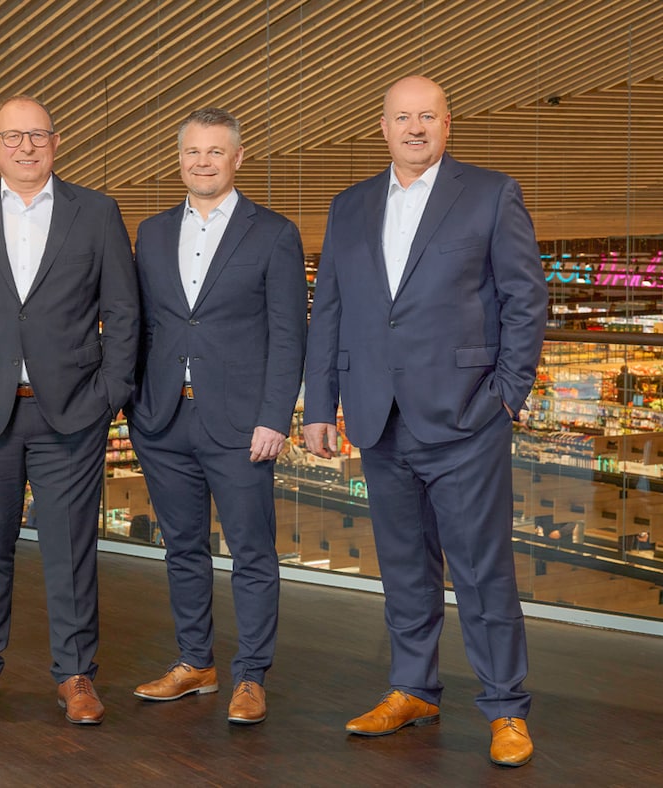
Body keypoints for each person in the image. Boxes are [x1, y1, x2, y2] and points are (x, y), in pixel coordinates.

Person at [302, 75, 548, 767]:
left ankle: (506, 708)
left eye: (428, 117)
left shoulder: (489, 193)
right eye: (402, 117)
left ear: (448, 125)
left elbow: (526, 300)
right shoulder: (348, 207)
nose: (415, 128)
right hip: (378, 418)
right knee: (406, 567)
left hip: (467, 416)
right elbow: (332, 313)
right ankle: (412, 688)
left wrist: (506, 395)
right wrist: (320, 405)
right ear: (381, 126)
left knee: (481, 570)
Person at [0, 95, 138, 725]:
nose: (25, 147)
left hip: (70, 412)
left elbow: (123, 313)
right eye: (12, 137)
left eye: (36, 136)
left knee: (71, 551)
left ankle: (75, 676)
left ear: (56, 142)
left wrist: (109, 394)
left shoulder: (96, 212)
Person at [126, 108, 306, 725]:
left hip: (240, 425)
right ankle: (195, 663)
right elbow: (141, 326)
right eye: (191, 152)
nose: (202, 162)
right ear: (179, 159)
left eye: (214, 152)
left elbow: (289, 334)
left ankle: (251, 675)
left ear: (238, 158)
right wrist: (134, 407)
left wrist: (275, 416)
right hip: (162, 419)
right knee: (182, 548)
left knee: (252, 552)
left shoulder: (274, 233)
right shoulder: (149, 232)